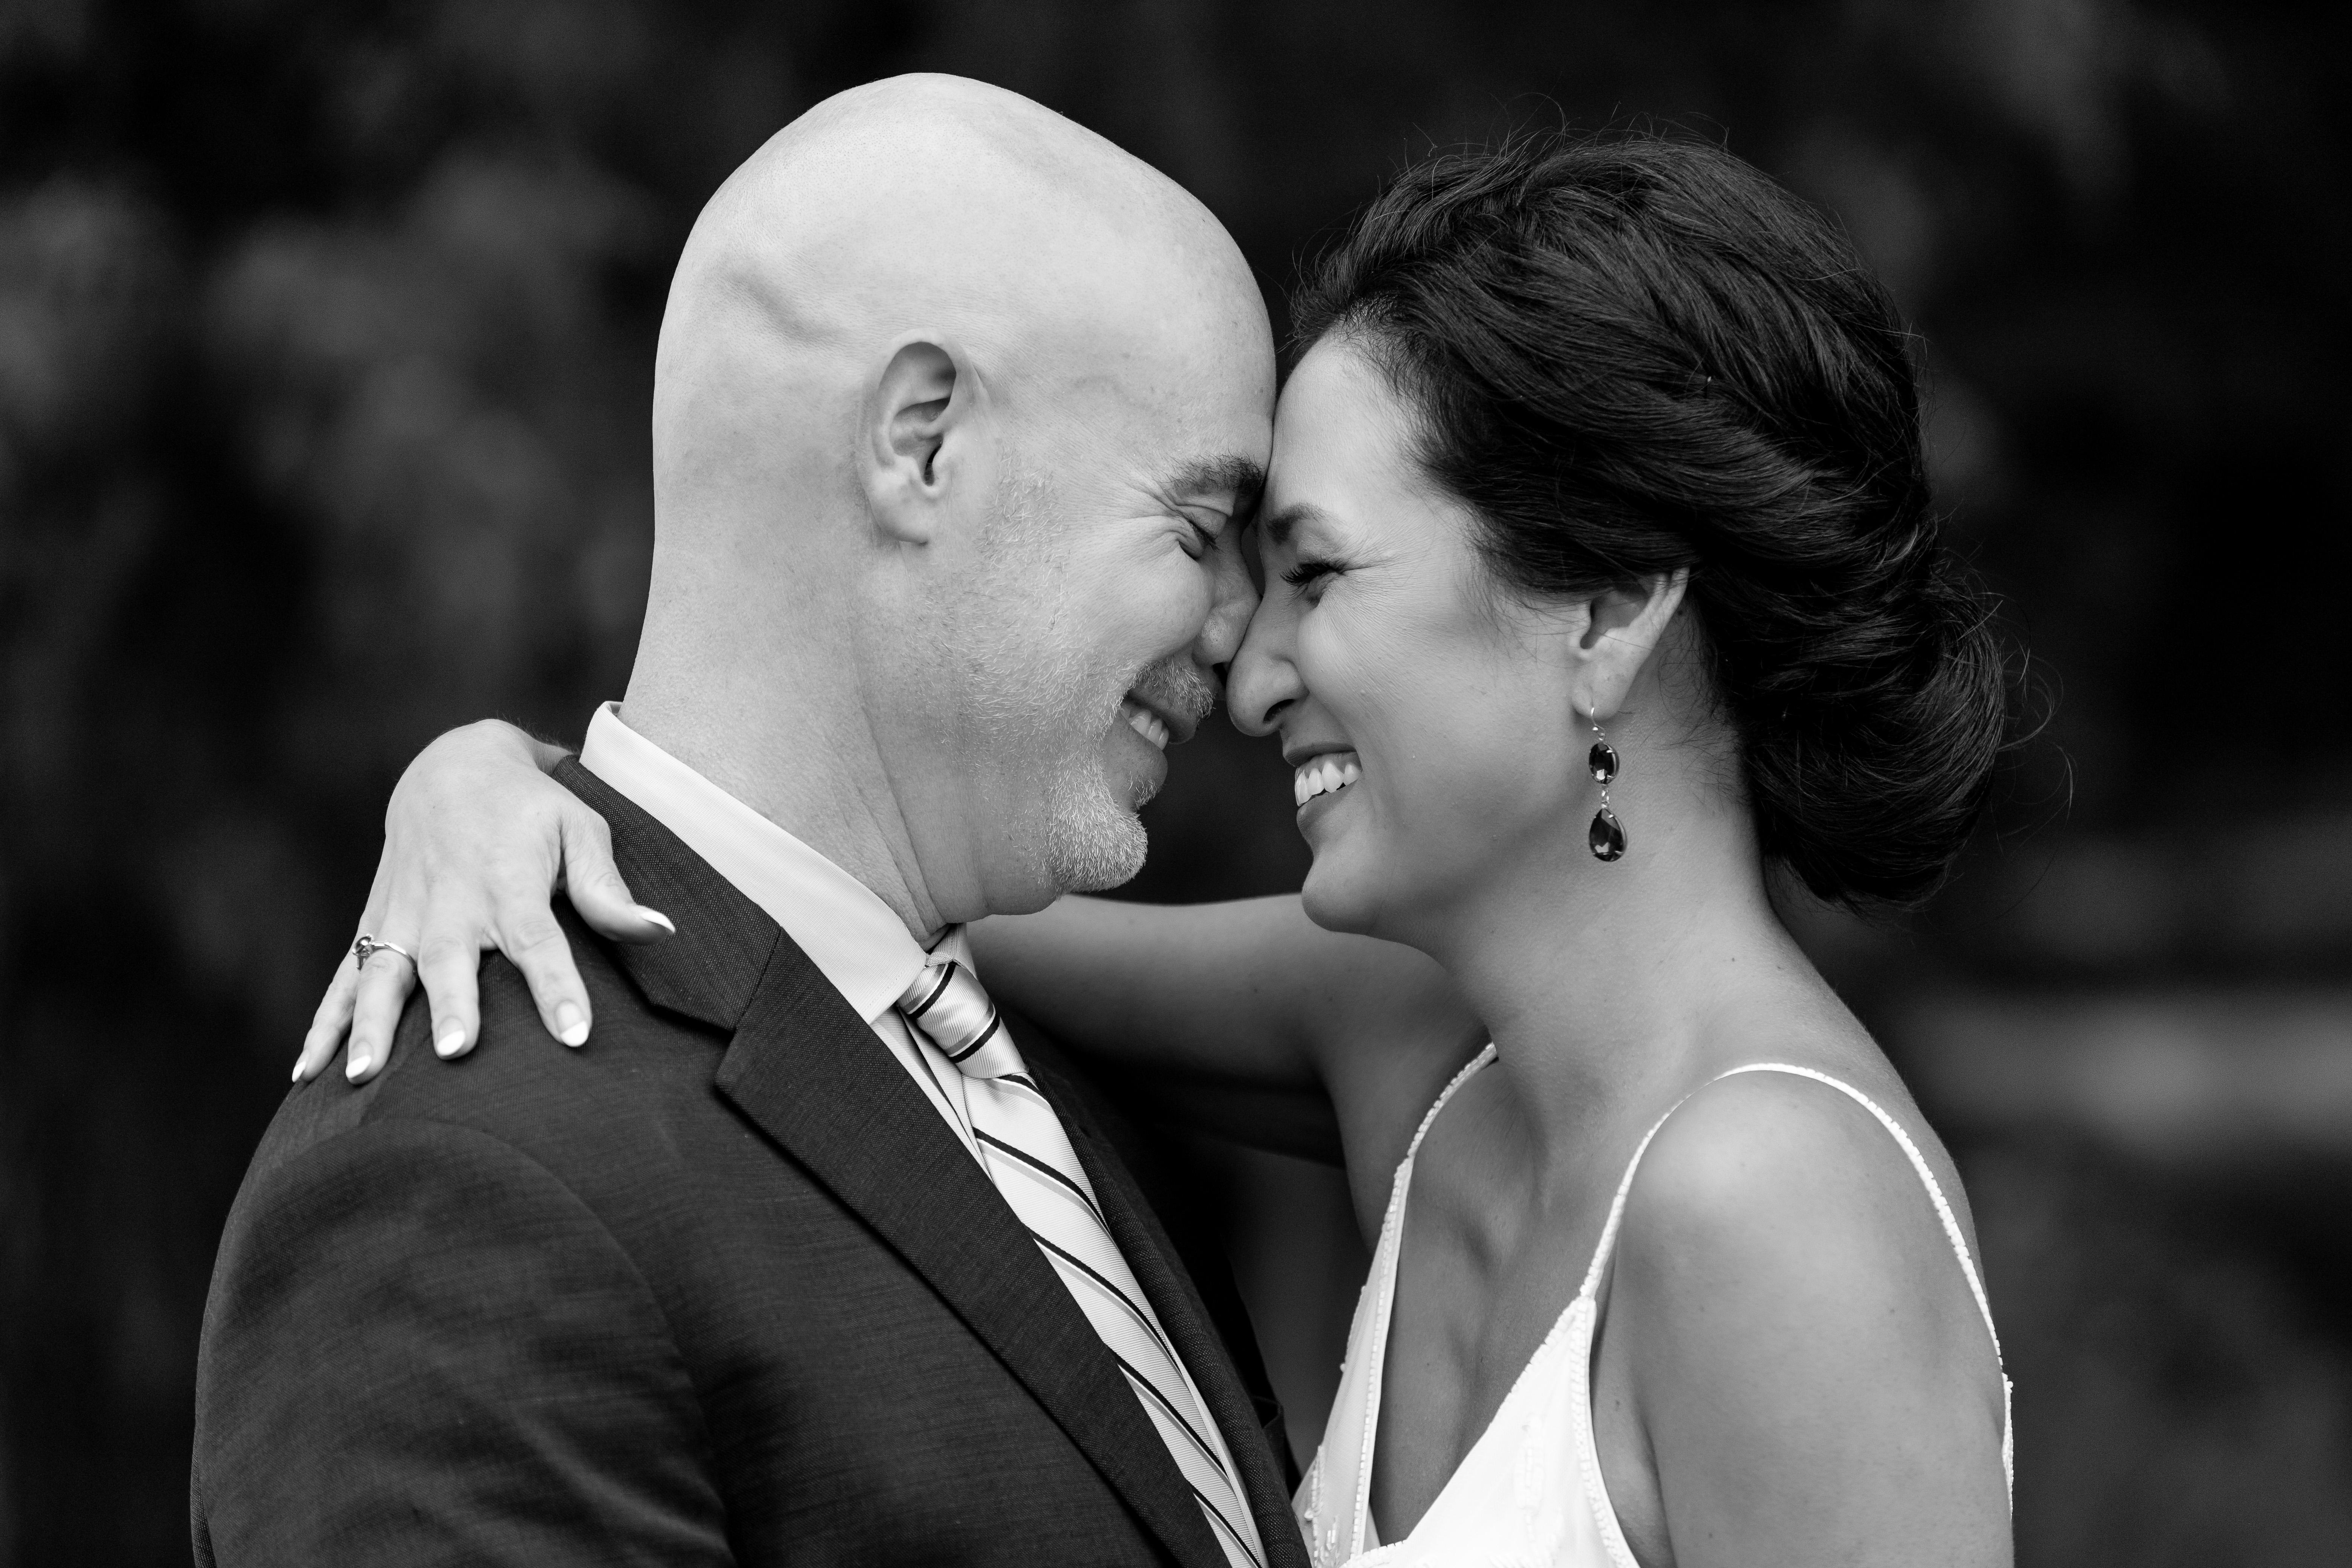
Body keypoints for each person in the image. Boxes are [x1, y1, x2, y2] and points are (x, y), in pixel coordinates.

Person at [299, 131, 2019, 1566]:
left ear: (1606, 612)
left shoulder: (1774, 1212)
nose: (1251, 672)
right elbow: (846, 921)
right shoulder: (1421, 1048)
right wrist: (506, 779)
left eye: (1315, 572)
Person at [194, 75, 1308, 1568]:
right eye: (1198, 529)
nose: (1242, 635)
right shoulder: (457, 1184)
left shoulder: (1062, 1090)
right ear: (923, 444)